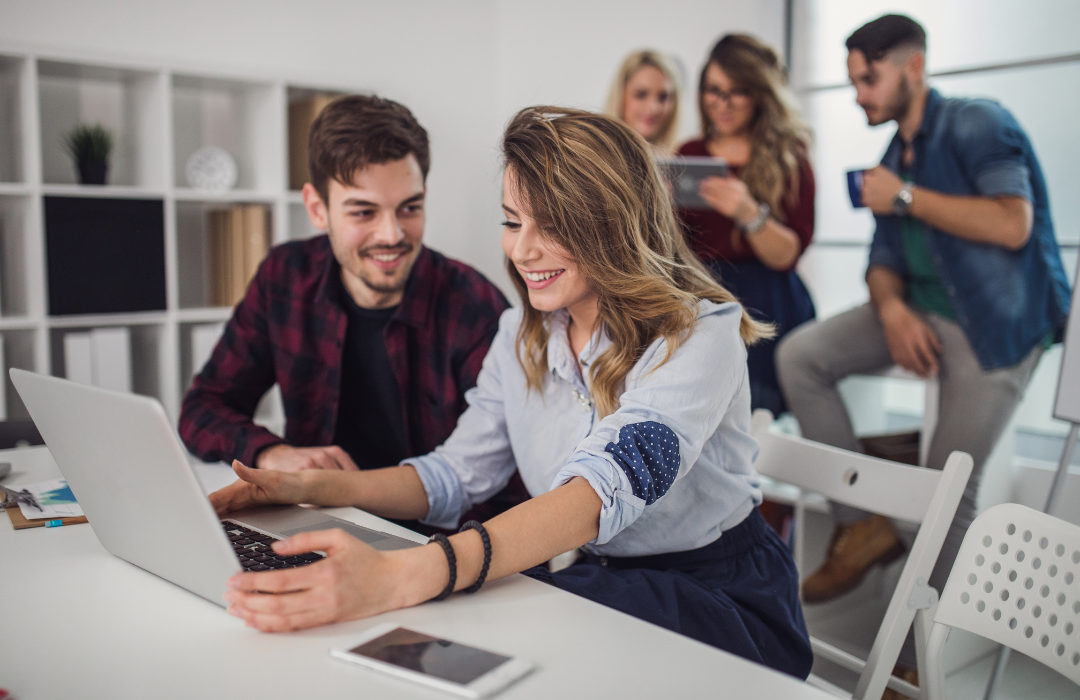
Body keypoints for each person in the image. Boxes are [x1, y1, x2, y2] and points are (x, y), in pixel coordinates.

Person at [210, 106, 814, 679]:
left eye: (552, 226)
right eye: (512, 221)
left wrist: (407, 574)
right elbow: (454, 475)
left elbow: (600, 492)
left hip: (724, 600)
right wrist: (315, 487)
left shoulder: (700, 333)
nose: (523, 250)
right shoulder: (520, 334)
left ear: (612, 223)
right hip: (607, 581)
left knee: (474, 625)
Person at [776, 13, 1069, 686]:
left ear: (913, 66)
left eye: (868, 79)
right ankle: (862, 526)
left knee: (946, 492)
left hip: (995, 324)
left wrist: (905, 198)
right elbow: (882, 261)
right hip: (923, 311)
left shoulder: (976, 122)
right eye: (850, 81)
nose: (858, 95)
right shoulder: (888, 162)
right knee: (800, 355)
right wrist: (893, 308)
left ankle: (918, 662)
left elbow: (1013, 223)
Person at [179, 94, 527, 531]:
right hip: (315, 519)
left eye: (410, 207)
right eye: (364, 211)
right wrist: (272, 453)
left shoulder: (474, 307)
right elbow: (203, 407)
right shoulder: (284, 277)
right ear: (316, 208)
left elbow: (506, 487)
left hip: (436, 543)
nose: (393, 234)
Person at [676, 34, 816, 415]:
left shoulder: (790, 158)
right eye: (712, 91)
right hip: (703, 299)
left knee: (757, 413)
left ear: (759, 95)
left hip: (766, 303)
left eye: (736, 92)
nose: (722, 104)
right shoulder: (689, 154)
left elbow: (787, 254)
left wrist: (749, 213)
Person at [604, 50, 681, 154]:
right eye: (641, 94)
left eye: (663, 97)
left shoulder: (685, 157)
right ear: (620, 95)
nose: (653, 108)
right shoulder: (596, 157)